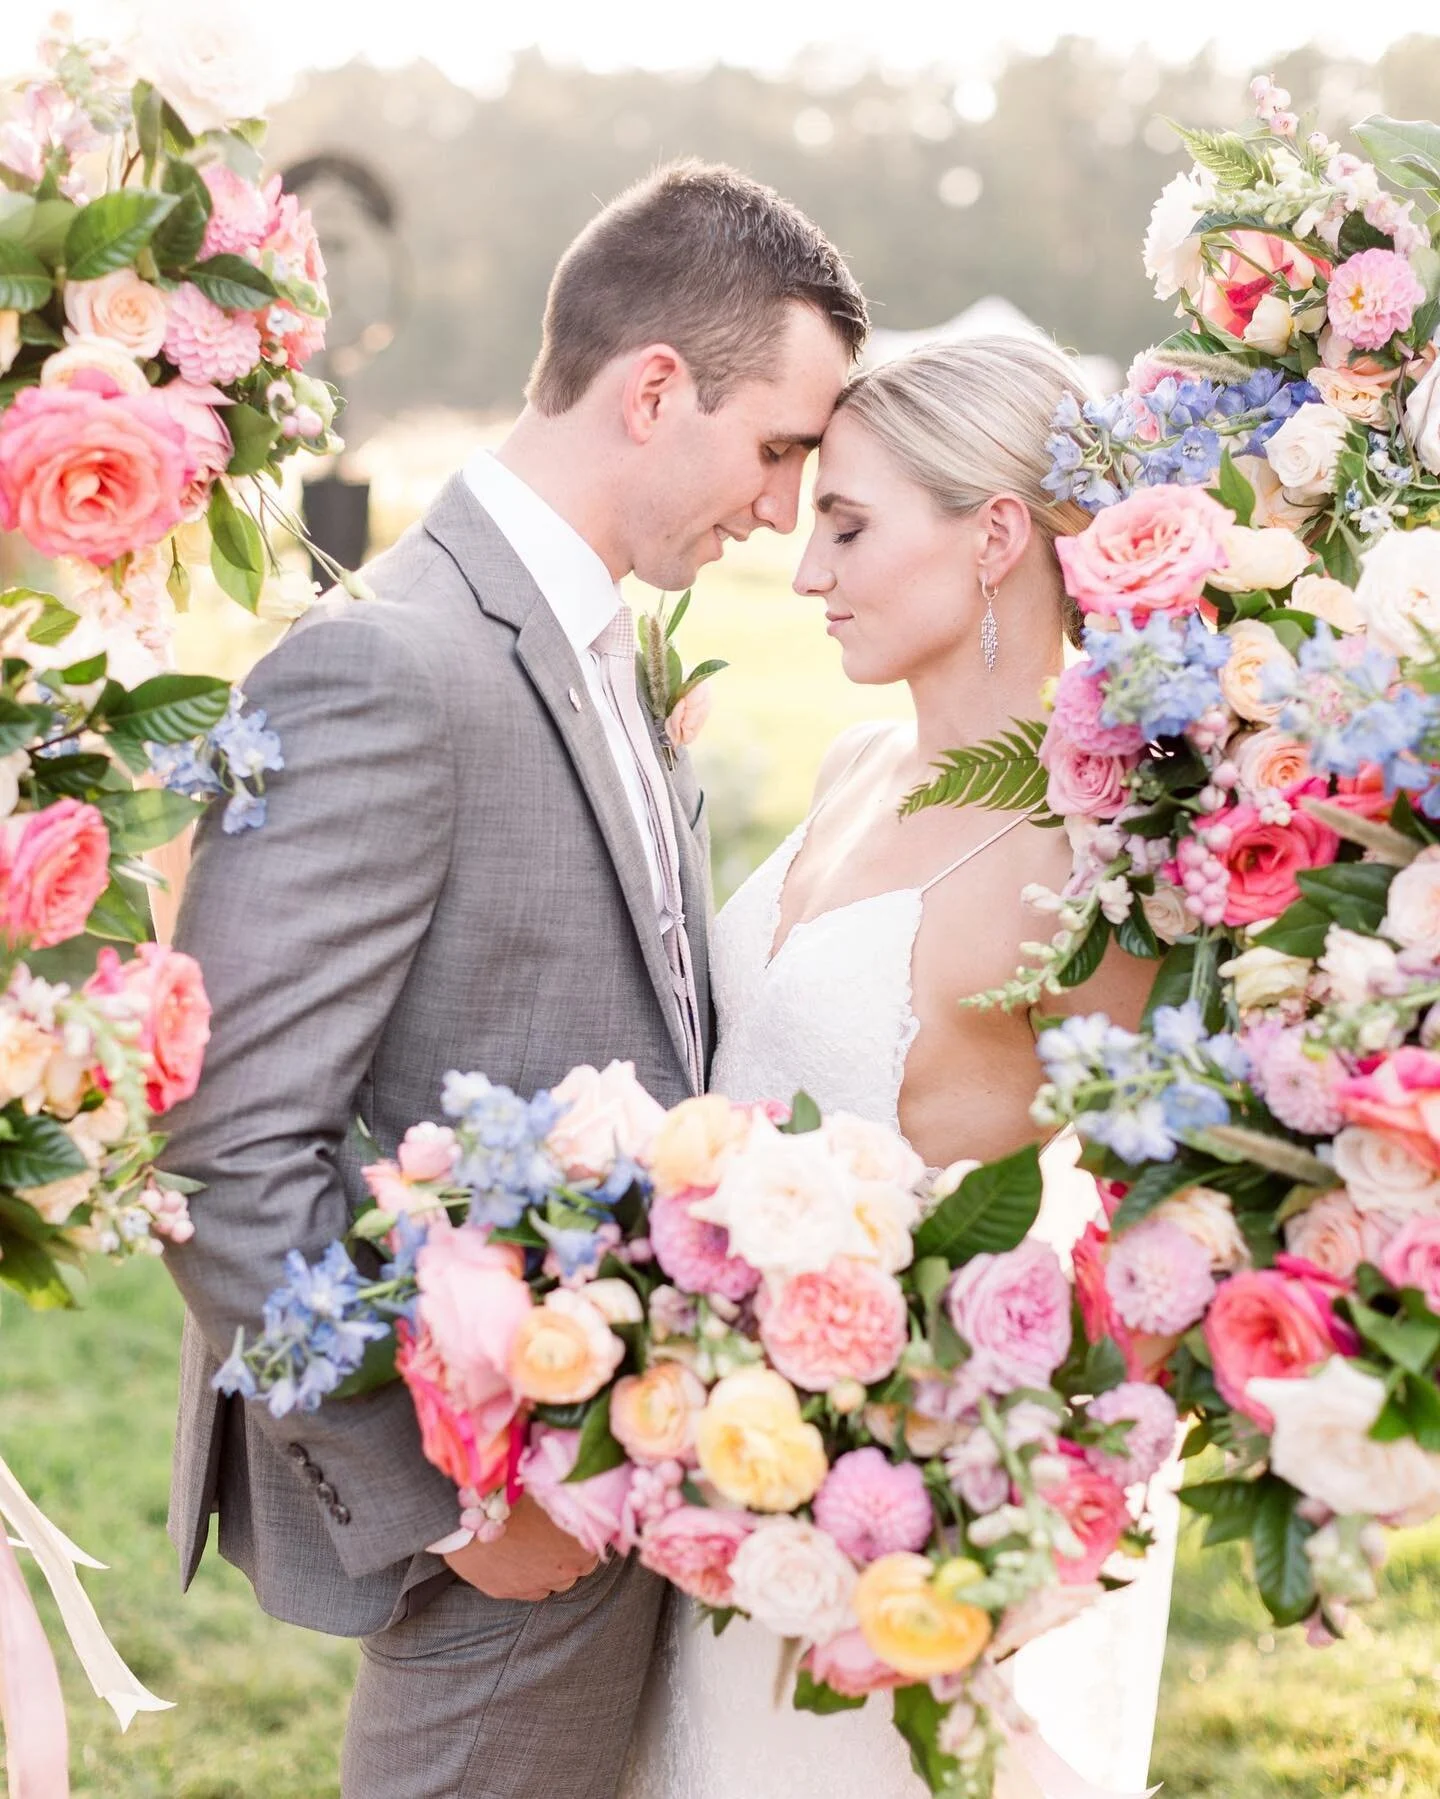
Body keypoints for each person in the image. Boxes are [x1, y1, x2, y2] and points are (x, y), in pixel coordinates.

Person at [159, 160, 866, 1799]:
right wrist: (452, 1496)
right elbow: (222, 1144)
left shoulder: (599, 648)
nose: (778, 507)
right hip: (506, 1508)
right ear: (655, 389)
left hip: (627, 1482)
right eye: (775, 448)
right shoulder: (387, 666)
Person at [621, 334, 1176, 1798]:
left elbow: (1176, 1229)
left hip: (897, 1532)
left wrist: (1005, 1507)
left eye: (850, 527)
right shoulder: (854, 762)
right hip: (725, 1472)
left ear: (997, 535)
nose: (809, 574)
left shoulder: (1084, 876)